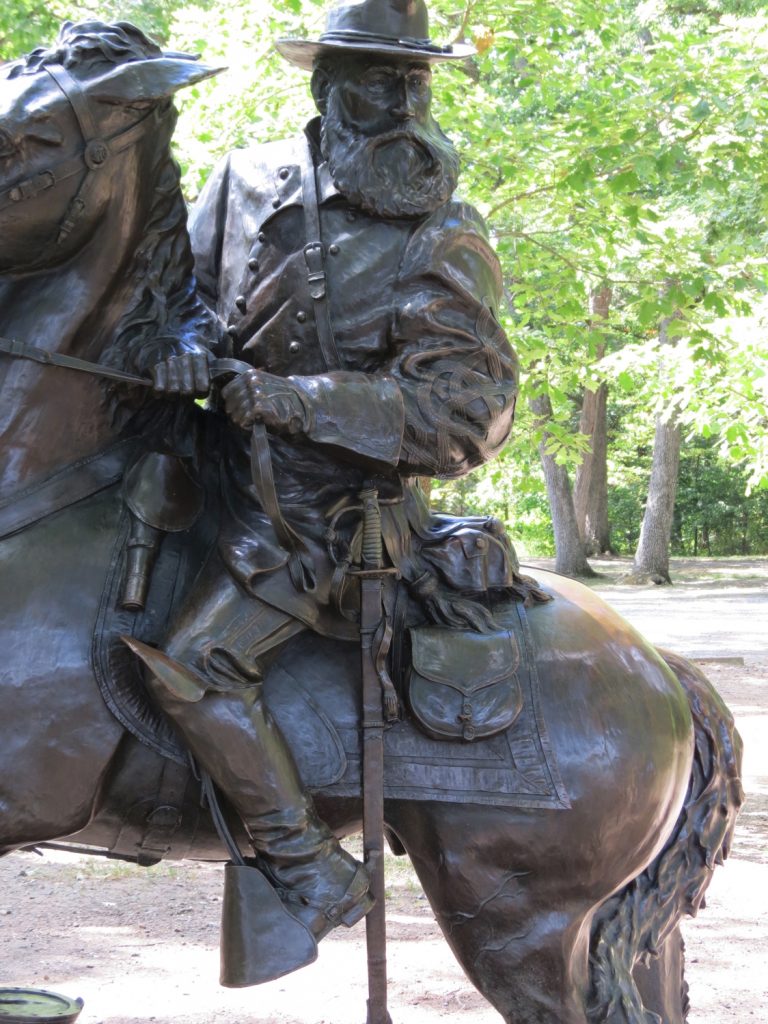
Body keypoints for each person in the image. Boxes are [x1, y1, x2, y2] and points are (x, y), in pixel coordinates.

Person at [135, 0, 520, 983]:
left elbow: (466, 409)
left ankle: (310, 869)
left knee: (195, 661)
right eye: (376, 78)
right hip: (211, 479)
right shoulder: (244, 178)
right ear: (326, 85)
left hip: (331, 523)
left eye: (413, 81)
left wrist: (298, 401)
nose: (399, 99)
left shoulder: (444, 226)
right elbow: (183, 302)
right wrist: (186, 357)